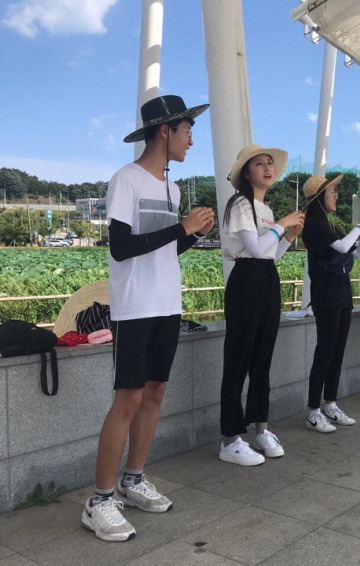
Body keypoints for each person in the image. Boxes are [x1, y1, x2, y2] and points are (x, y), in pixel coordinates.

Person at [81, 95, 214, 542]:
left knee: (155, 392)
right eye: (187, 131)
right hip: (134, 307)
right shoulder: (127, 180)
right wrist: (182, 227)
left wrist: (192, 235)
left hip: (166, 304)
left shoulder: (171, 189)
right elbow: (121, 248)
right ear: (165, 130)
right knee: (128, 399)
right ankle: (99, 500)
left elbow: (164, 248)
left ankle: (133, 479)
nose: (191, 140)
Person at [218, 144, 304, 466]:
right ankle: (230, 438)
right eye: (259, 164)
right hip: (245, 281)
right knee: (238, 359)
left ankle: (261, 429)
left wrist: (287, 236)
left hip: (266, 277)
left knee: (262, 358)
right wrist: (281, 224)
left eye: (270, 163)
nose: (268, 168)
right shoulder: (241, 203)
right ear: (246, 172)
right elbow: (253, 250)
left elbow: (269, 255)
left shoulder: (264, 209)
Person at [301, 174, 360, 432]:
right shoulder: (314, 225)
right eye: (332, 192)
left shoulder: (331, 226)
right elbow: (343, 248)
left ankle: (330, 404)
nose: (336, 196)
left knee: (337, 351)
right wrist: (359, 225)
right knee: (325, 351)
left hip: (342, 292)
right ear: (319, 197)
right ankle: (313, 410)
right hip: (326, 295)